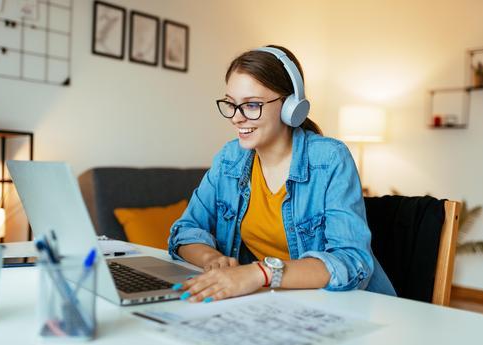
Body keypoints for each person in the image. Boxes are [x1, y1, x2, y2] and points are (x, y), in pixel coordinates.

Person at [168, 45, 396, 303]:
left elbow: (352, 262)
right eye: (231, 104)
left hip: (348, 305)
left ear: (291, 106)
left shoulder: (329, 159)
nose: (237, 118)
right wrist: (213, 260)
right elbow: (186, 230)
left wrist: (259, 273)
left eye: (251, 105)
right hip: (275, 302)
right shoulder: (229, 158)